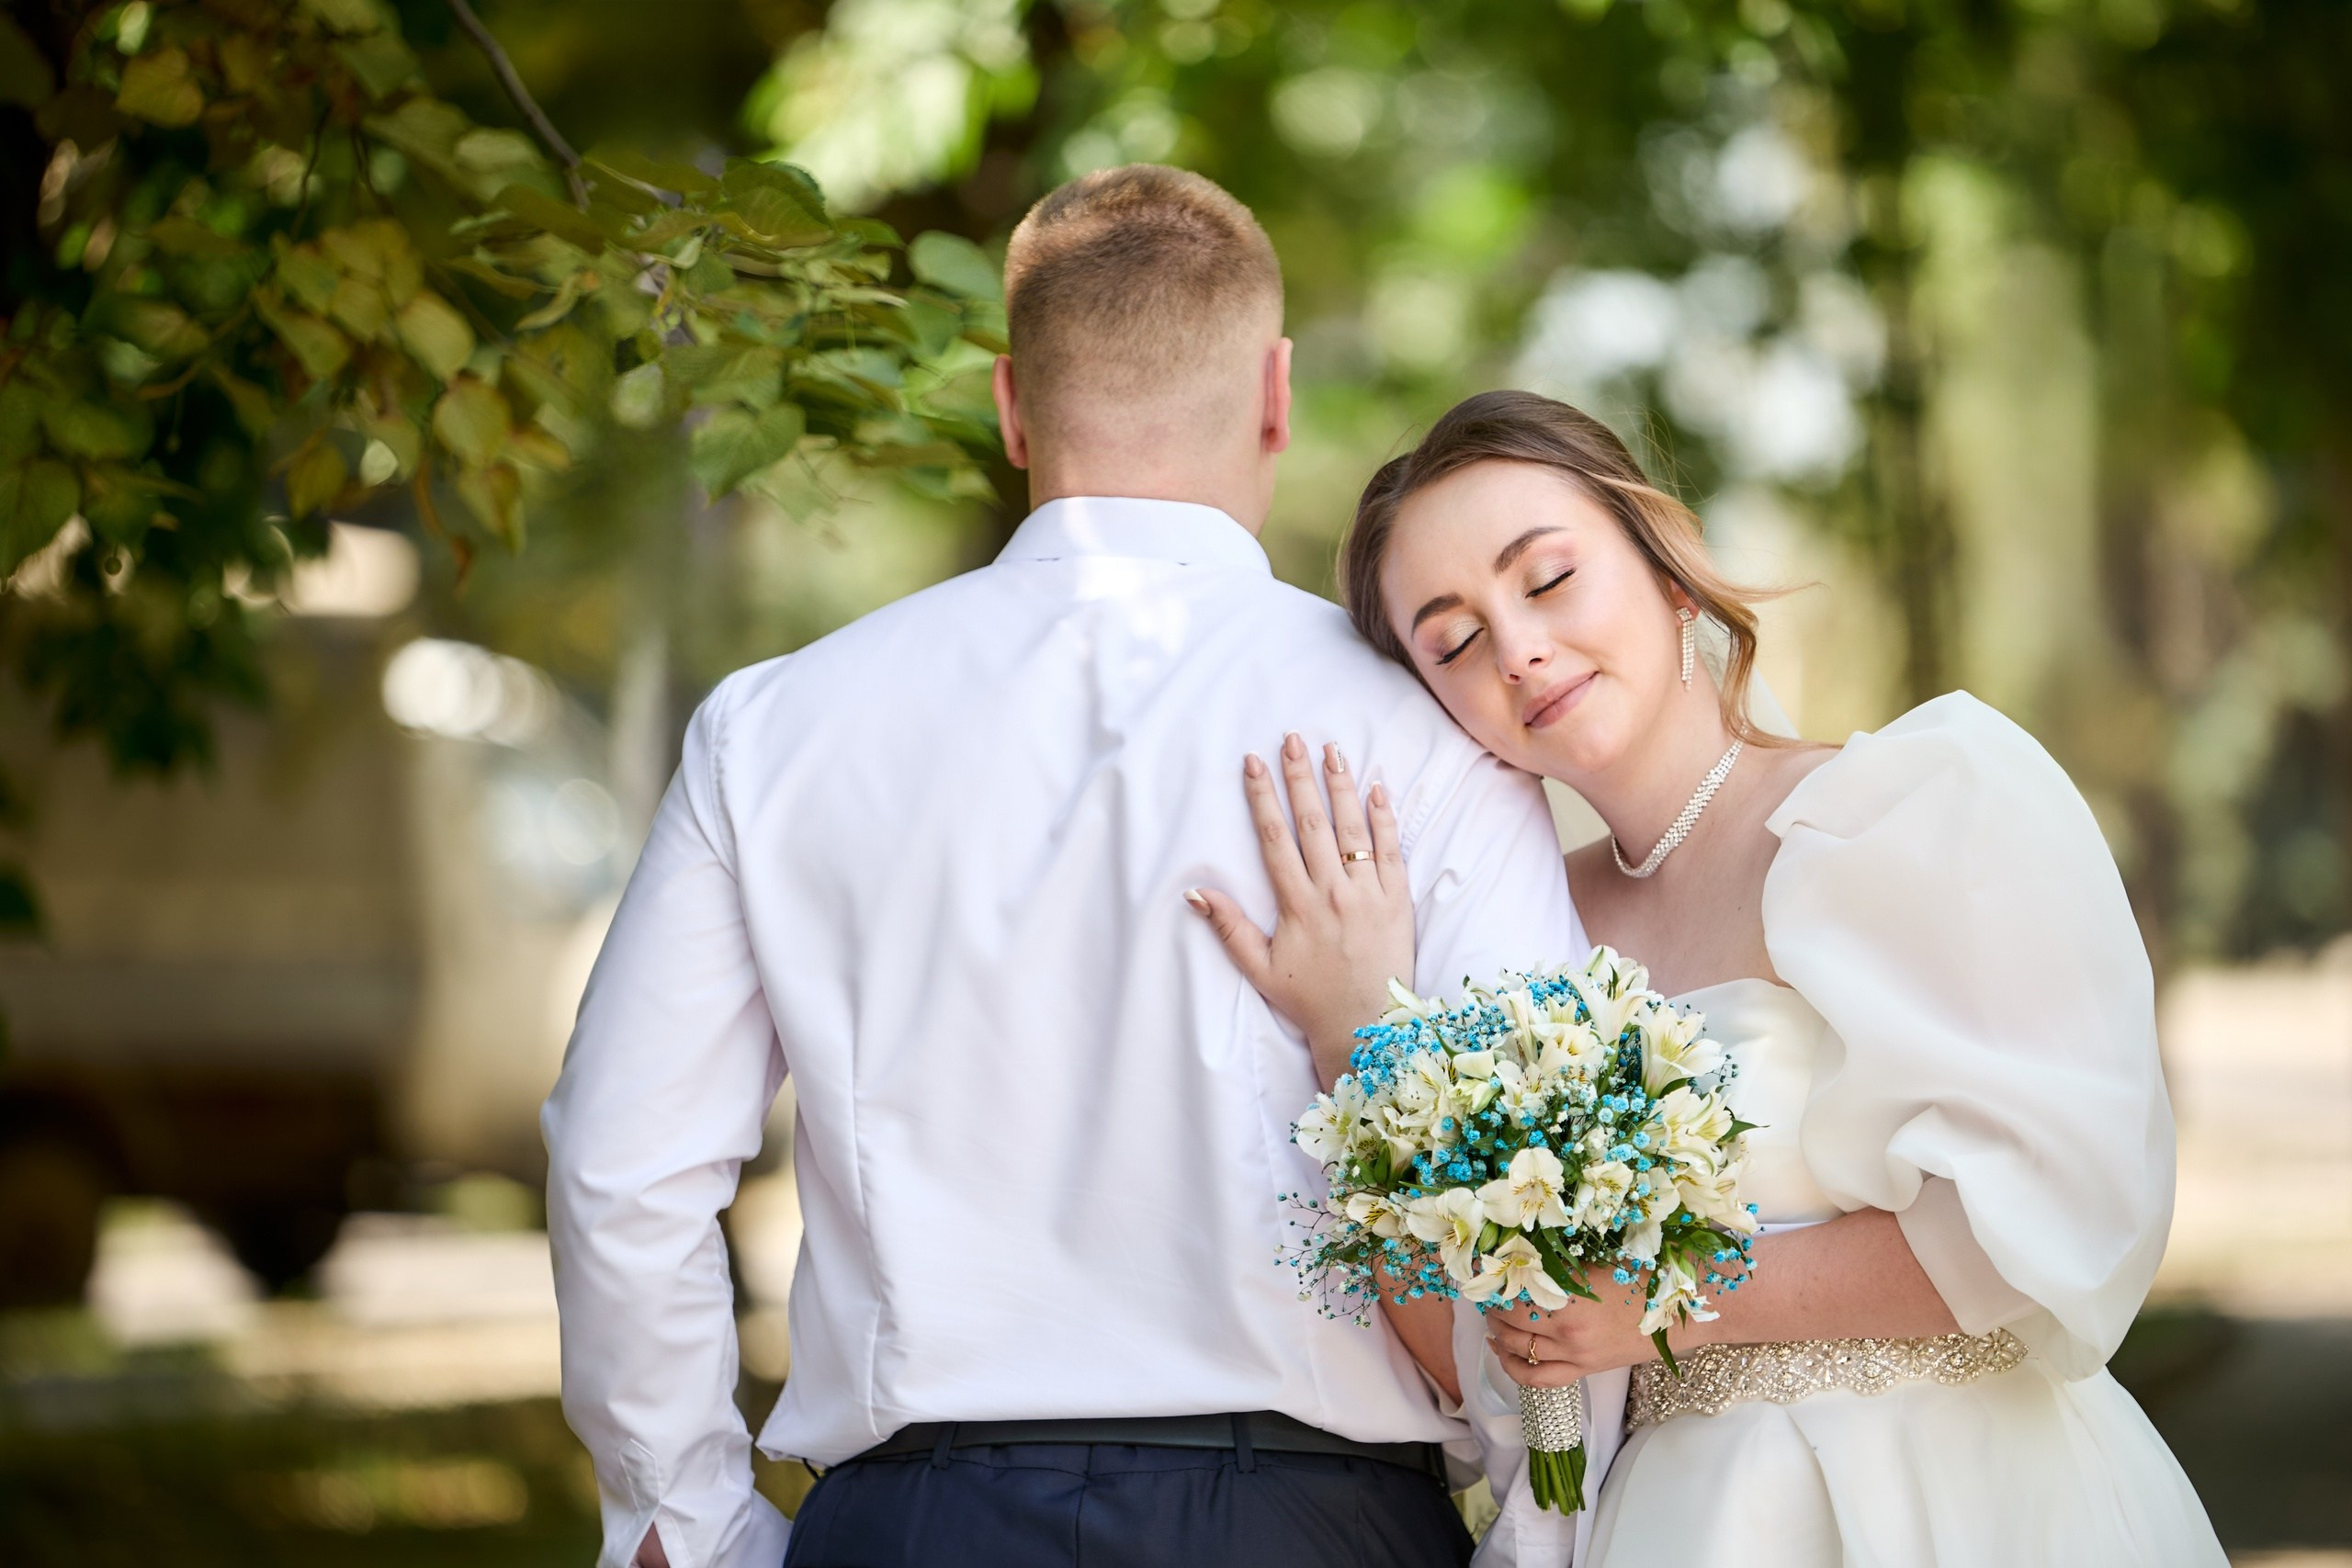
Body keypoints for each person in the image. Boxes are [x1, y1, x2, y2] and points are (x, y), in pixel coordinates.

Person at [542, 169, 1584, 1568]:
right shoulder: (1427, 736)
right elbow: (1542, 1191)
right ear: (1276, 394)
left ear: (1010, 405)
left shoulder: (775, 729)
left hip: (914, 1524)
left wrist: (686, 1519)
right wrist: (1544, 1530)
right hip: (1313, 1524)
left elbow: (624, 1160)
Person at [1193, 389, 2227, 1566]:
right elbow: (1490, 1382)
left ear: (1669, 567)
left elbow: (2047, 1220)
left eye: (1545, 580)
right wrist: (1353, 1040)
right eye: (1454, 641)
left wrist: (1658, 1310)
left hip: (1958, 1503)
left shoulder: (1920, 806)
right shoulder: (1516, 953)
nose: (1518, 650)